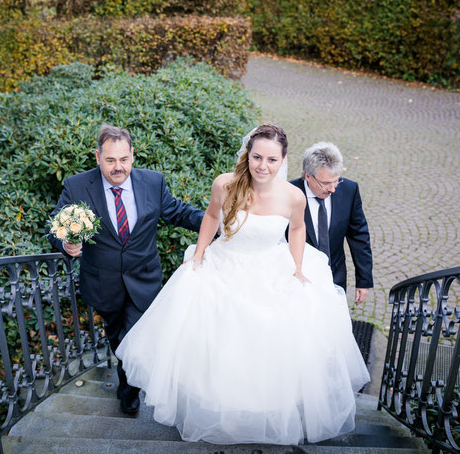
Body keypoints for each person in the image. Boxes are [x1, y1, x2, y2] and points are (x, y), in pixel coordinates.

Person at [117, 124, 370, 445]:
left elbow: (296, 231)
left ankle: (262, 413)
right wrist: (198, 253)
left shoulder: (293, 197)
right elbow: (210, 217)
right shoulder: (225, 185)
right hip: (224, 268)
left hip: (270, 271)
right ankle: (217, 411)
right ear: (247, 155)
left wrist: (297, 267)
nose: (263, 166)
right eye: (257, 157)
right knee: (217, 348)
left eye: (272, 160)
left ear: (283, 160)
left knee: (271, 346)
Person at [48, 125, 203, 415]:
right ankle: (128, 379)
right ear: (97, 157)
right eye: (110, 161)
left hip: (144, 279)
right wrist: (66, 243)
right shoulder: (78, 186)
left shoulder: (153, 182)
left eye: (124, 159)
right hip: (103, 283)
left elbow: (178, 212)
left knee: (135, 339)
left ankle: (130, 390)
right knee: (118, 337)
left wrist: (214, 223)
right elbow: (56, 225)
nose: (118, 167)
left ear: (132, 155)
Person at [289, 143, 373, 305]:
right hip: (299, 277)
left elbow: (359, 236)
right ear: (308, 176)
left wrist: (364, 280)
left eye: (336, 181)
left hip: (335, 274)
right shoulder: (290, 193)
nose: (333, 189)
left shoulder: (349, 190)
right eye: (326, 183)